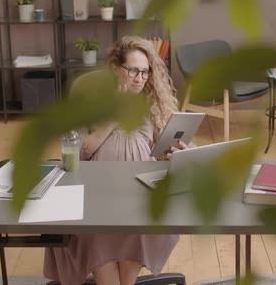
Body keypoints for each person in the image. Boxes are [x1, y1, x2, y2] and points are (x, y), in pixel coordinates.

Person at [44, 36, 187, 285]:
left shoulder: (153, 104)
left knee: (139, 228)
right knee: (98, 235)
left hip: (139, 189)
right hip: (97, 192)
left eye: (145, 72)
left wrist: (175, 152)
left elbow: (163, 146)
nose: (140, 78)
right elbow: (79, 151)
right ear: (115, 69)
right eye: (133, 70)